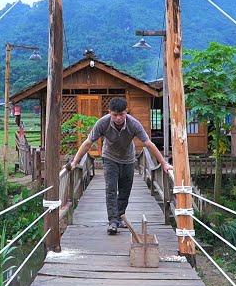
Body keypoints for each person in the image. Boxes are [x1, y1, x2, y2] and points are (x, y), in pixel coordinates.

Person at [69, 97, 173, 235]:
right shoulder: (103, 123)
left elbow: (148, 144)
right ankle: (112, 221)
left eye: (121, 114)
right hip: (110, 158)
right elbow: (88, 142)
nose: (118, 118)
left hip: (128, 159)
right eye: (115, 115)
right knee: (111, 188)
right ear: (109, 113)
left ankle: (120, 216)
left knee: (125, 190)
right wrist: (75, 161)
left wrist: (164, 164)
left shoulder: (133, 124)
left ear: (126, 112)